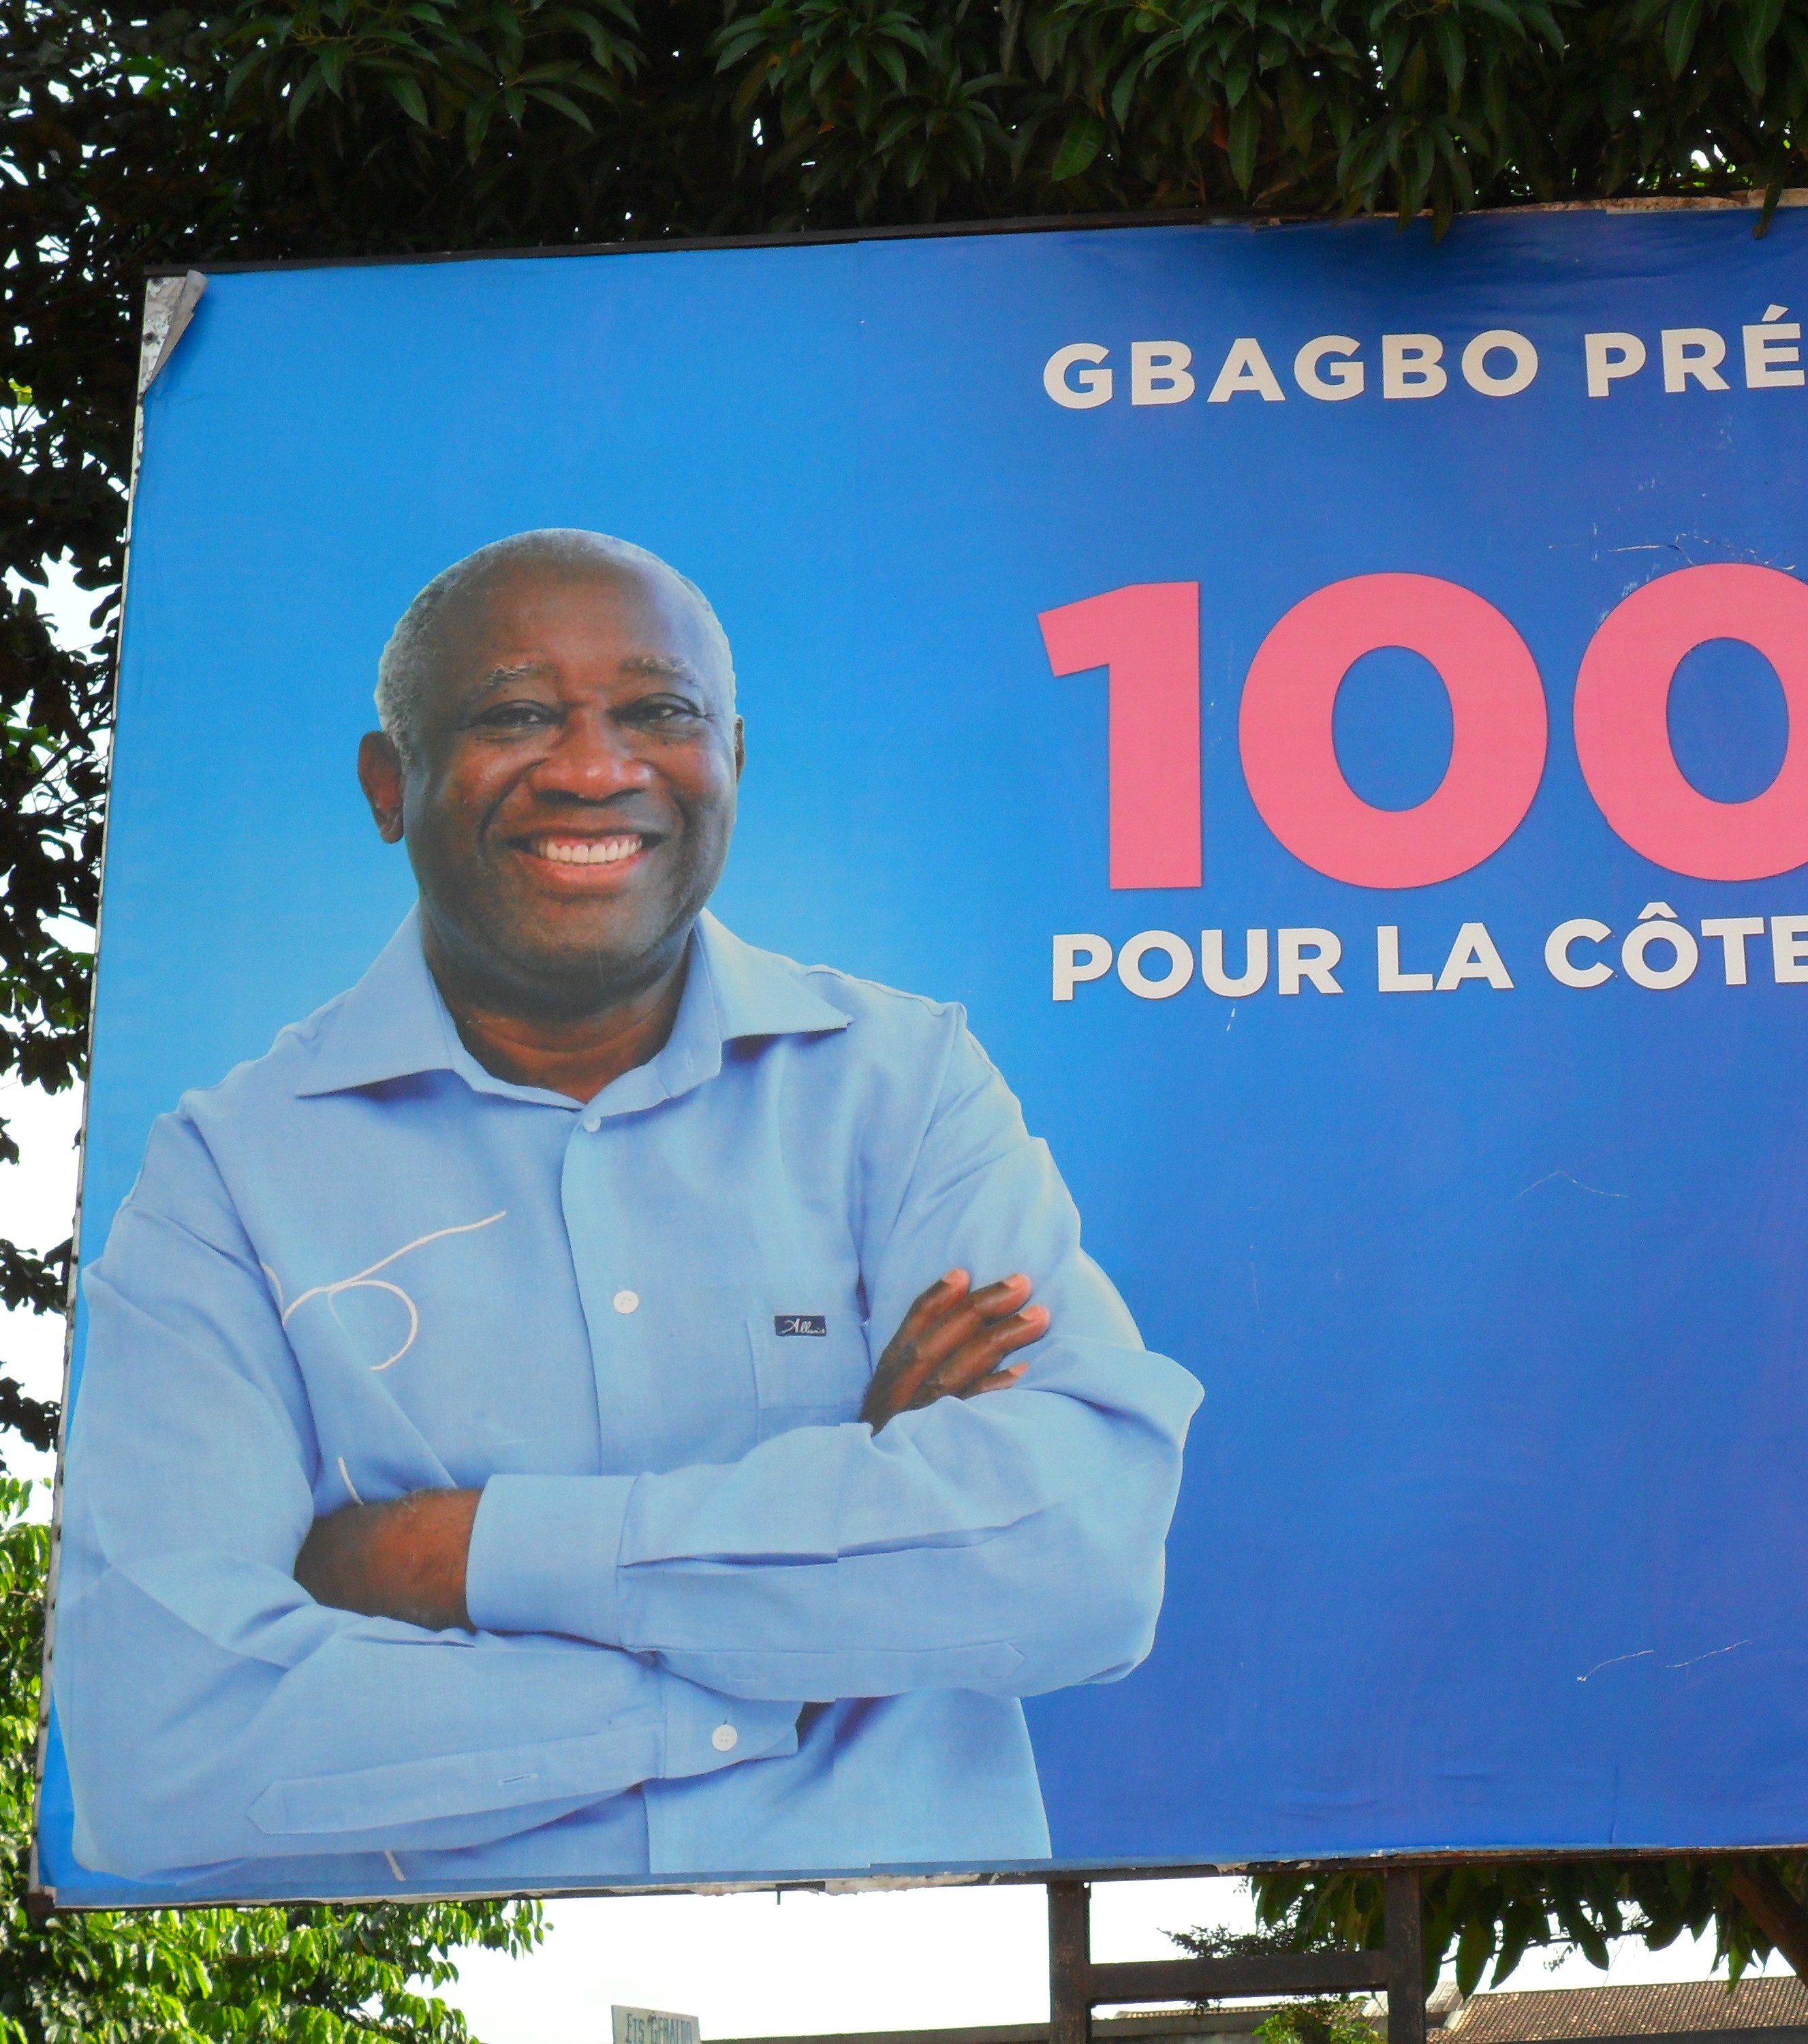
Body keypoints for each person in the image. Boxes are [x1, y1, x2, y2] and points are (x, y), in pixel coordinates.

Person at [53, 529, 1202, 1891]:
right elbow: (166, 1751)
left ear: (732, 759)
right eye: (514, 716)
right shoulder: (228, 1181)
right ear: (387, 785)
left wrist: (454, 1557)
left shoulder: (904, 1086)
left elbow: (1075, 1560)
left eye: (659, 713)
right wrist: (798, 1637)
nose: (595, 770)